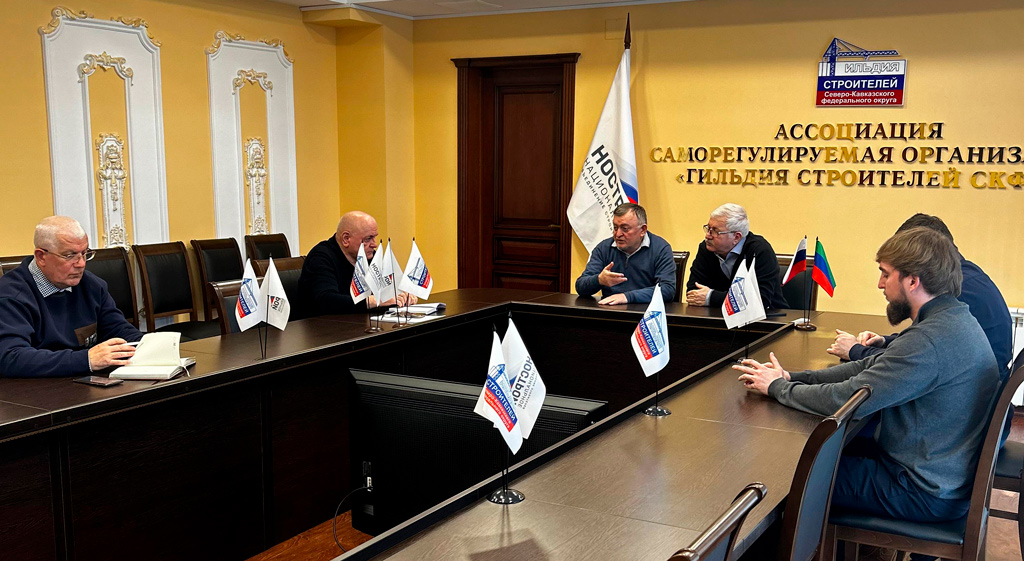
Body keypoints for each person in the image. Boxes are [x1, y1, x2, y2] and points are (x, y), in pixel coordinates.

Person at [734, 227, 998, 535]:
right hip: (938, 473)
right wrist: (793, 377)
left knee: (782, 477)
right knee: (811, 459)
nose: (880, 284)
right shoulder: (952, 318)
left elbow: (846, 400)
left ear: (912, 281)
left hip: (920, 490)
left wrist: (778, 388)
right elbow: (867, 367)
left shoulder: (929, 340)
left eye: (886, 274)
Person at [828, 213, 1013, 381]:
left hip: (967, 394)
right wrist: (885, 341)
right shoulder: (967, 273)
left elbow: (915, 362)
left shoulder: (953, 290)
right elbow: (923, 347)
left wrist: (856, 351)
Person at [0, 216, 143, 378]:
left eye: (84, 253)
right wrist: (86, 360)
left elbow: (118, 330)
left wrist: (150, 345)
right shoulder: (10, 296)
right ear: (41, 257)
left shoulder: (92, 285)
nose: (81, 263)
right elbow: (11, 357)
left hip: (81, 380)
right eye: (69, 255)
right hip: (33, 388)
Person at [299, 211, 415, 316]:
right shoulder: (320, 258)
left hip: (360, 322)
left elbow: (387, 287)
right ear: (346, 239)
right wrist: (373, 301)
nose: (374, 244)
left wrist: (401, 294)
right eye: (368, 239)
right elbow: (326, 300)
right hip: (323, 327)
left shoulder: (370, 256)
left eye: (374, 237)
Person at [685, 203, 788, 310]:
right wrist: (726, 299)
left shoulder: (760, 250)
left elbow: (759, 300)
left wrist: (712, 297)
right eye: (708, 228)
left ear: (736, 237)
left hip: (770, 317)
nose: (707, 235)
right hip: (716, 316)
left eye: (715, 231)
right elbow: (693, 292)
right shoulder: (706, 249)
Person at [574, 203, 676, 305]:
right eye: (615, 228)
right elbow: (580, 287)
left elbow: (667, 289)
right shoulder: (604, 248)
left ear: (643, 230)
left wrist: (627, 297)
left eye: (625, 229)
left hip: (645, 311)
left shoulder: (660, 249)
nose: (618, 234)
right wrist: (599, 280)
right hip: (610, 310)